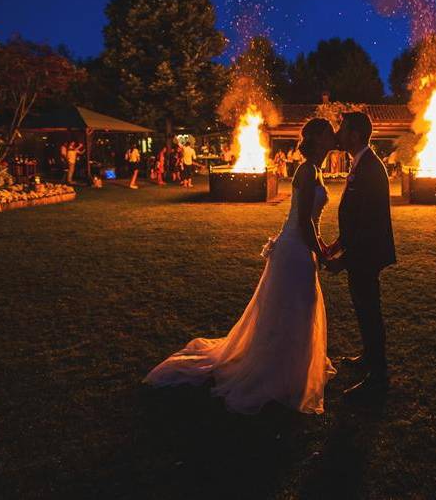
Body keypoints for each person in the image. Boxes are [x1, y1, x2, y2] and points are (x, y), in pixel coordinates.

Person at [143, 118, 338, 414]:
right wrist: (321, 253)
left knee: (295, 308)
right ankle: (279, 374)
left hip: (301, 247)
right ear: (317, 140)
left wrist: (321, 247)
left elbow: (311, 220)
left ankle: (290, 367)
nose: (332, 137)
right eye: (327, 134)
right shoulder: (307, 170)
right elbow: (303, 221)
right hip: (296, 249)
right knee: (296, 307)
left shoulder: (316, 169)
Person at [324, 111, 396, 402]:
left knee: (369, 312)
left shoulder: (369, 168)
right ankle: (368, 357)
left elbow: (368, 221)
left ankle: (378, 375)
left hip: (366, 254)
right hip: (360, 251)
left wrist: (345, 258)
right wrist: (338, 243)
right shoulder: (362, 163)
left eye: (342, 130)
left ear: (354, 134)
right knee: (364, 309)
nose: (339, 135)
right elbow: (355, 216)